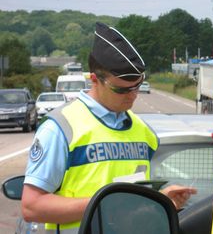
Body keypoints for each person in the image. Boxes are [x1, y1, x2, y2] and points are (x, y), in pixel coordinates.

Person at [21, 22, 197, 233]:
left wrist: (159, 200)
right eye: (122, 90)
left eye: (137, 86)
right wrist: (107, 206)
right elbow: (32, 206)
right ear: (94, 79)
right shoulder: (61, 128)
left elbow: (133, 201)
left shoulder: (143, 132)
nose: (133, 95)